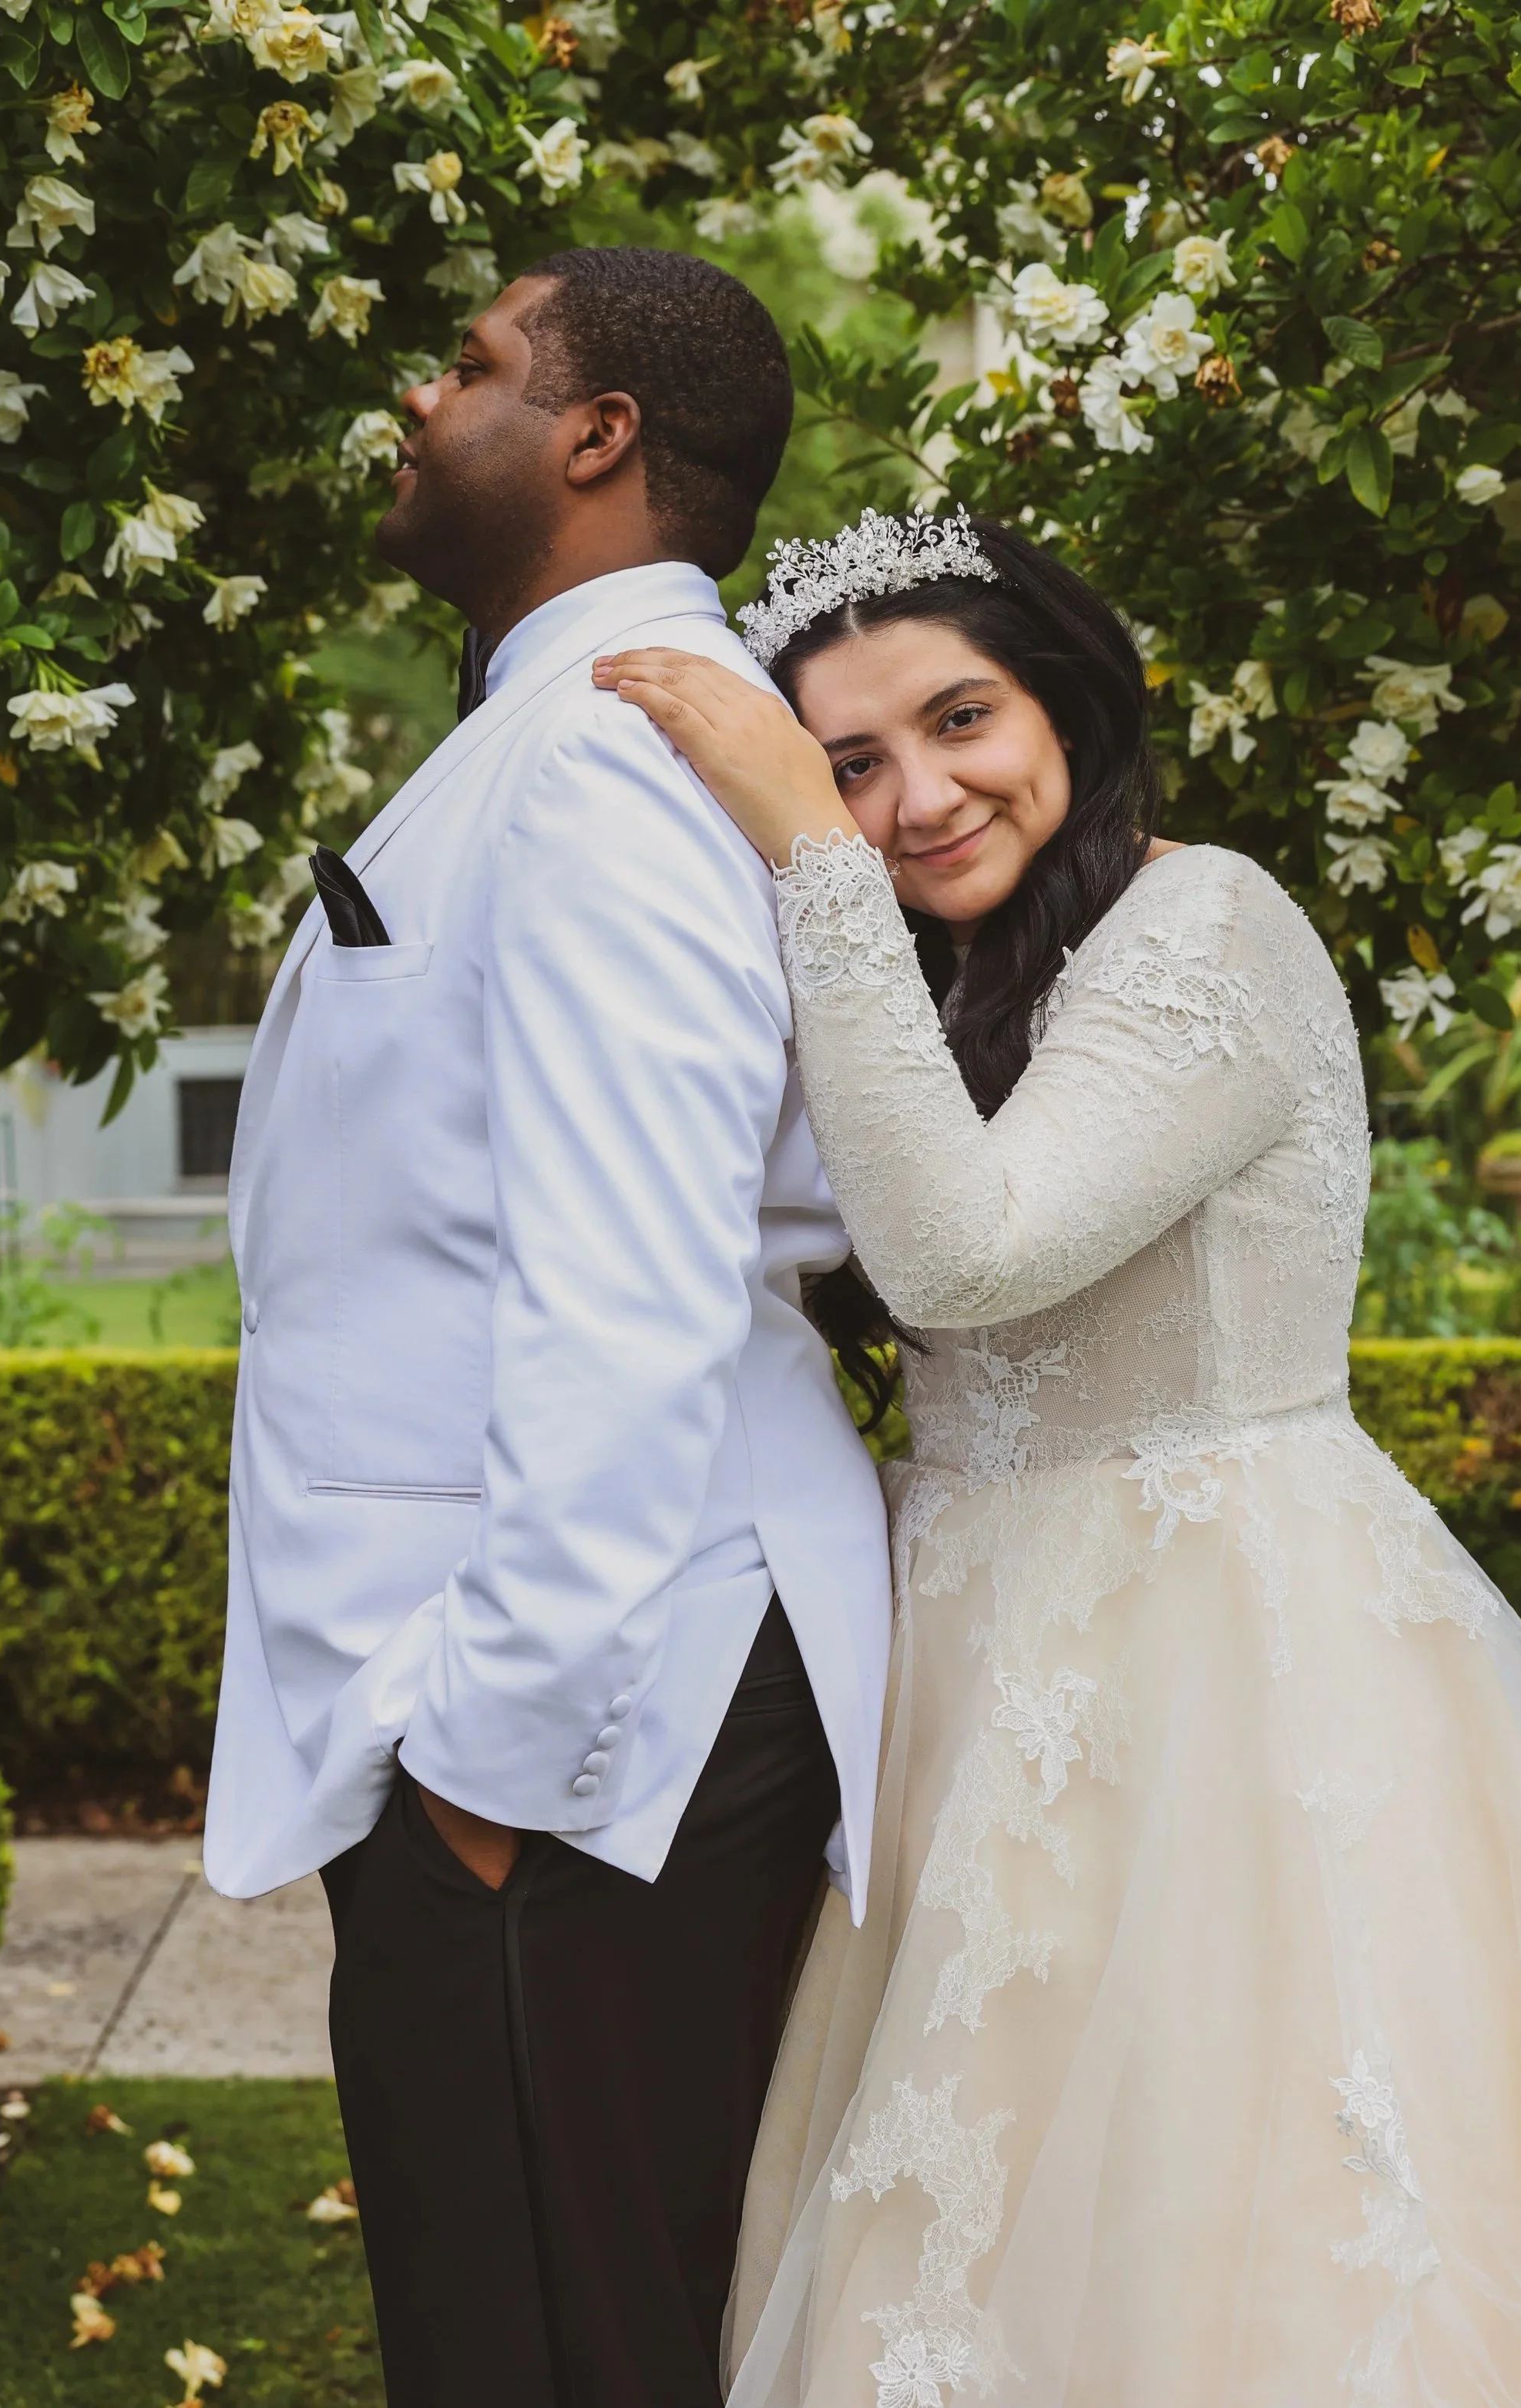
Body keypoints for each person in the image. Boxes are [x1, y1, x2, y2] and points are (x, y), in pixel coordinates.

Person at [594, 506, 1521, 2405]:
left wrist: (802, 846)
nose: (916, 792)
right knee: (978, 2224)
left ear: (1069, 703)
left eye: (962, 718)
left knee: (1240, 2207)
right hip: (963, 1672)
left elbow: (961, 1247)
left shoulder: (1208, 921)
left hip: (1226, 1674)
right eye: (847, 761)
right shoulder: (939, 976)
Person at [200, 249, 894, 2408]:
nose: (427, 396)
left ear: (598, 436)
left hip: (586, 1724)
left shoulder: (606, 766)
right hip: (549, 1716)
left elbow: (630, 1288)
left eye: (476, 362)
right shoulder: (555, 736)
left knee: (553, 2348)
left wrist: (490, 1761)